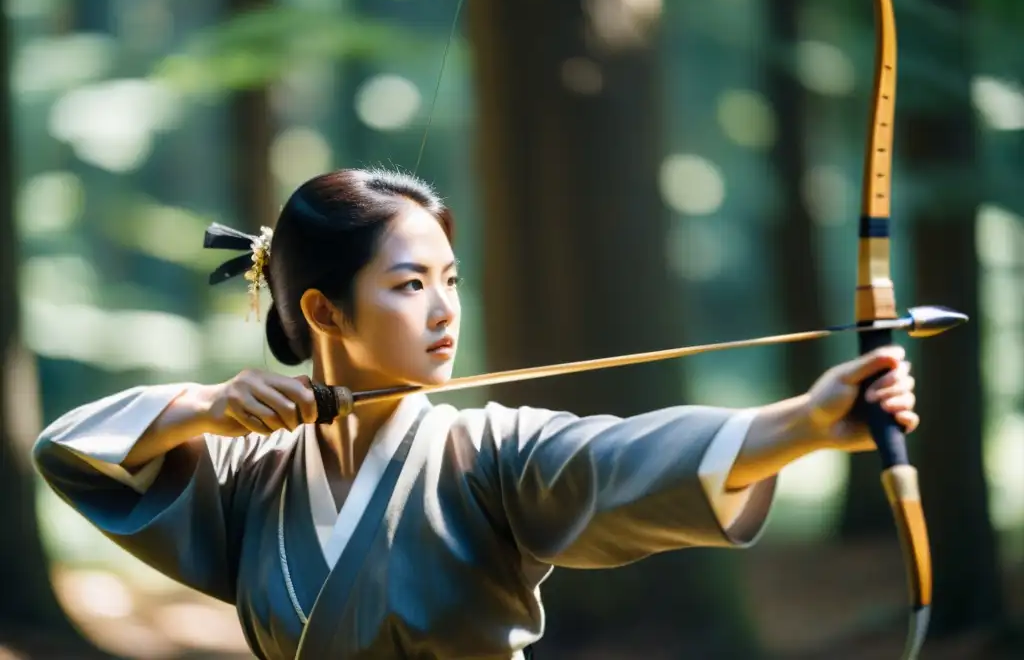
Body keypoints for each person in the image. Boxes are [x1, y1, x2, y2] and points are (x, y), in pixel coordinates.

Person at [32, 167, 919, 660]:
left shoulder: (487, 452)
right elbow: (73, 456)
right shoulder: (250, 476)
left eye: (450, 281)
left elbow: (614, 458)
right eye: (411, 285)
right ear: (322, 311)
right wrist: (198, 408)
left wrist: (805, 422)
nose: (445, 311)